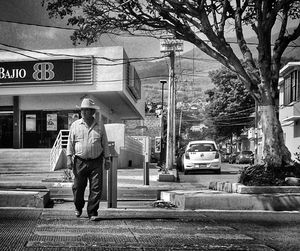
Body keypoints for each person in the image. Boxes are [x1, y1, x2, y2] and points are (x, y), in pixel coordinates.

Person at [66, 98, 110, 220]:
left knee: (96, 187)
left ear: (92, 112)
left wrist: (107, 159)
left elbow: (105, 143)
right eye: (82, 110)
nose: (83, 112)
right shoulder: (75, 125)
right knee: (78, 187)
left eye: (86, 110)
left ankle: (92, 212)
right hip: (79, 161)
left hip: (96, 161)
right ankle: (78, 207)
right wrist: (69, 158)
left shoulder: (100, 125)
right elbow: (70, 143)